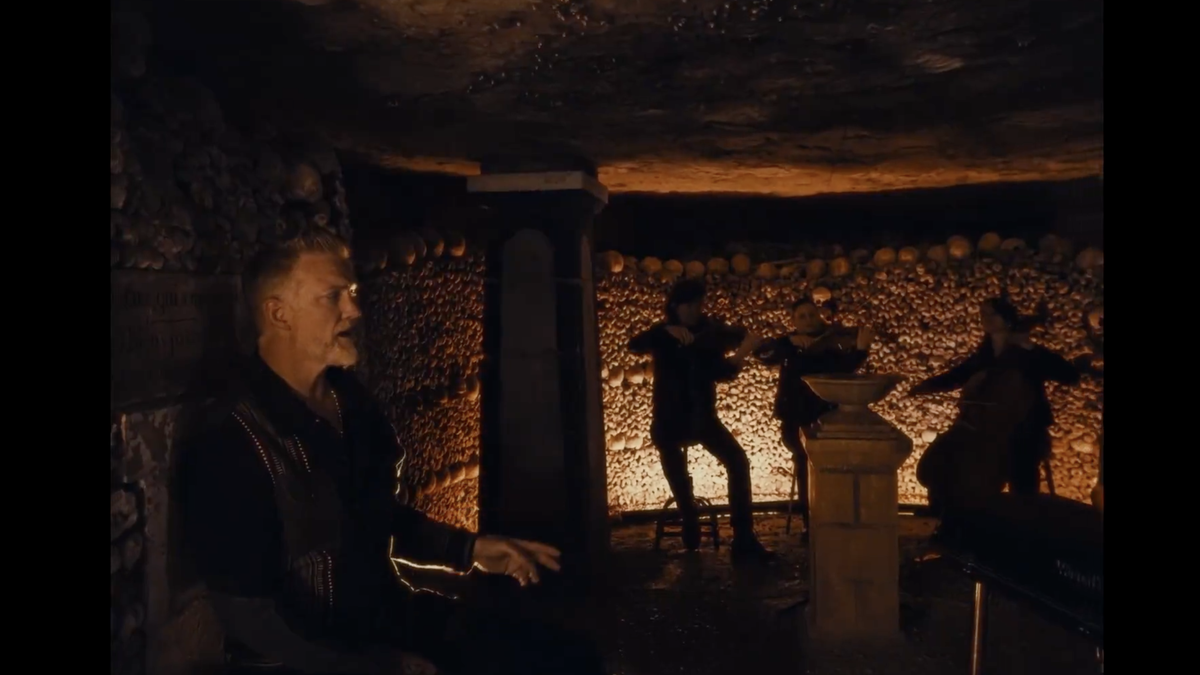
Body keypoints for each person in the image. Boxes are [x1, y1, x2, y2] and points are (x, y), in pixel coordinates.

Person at [178, 233, 603, 675]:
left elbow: (376, 513)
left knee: (566, 656)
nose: (354, 310)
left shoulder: (350, 402)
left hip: (388, 620)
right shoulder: (234, 439)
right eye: (332, 296)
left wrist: (469, 548)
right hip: (312, 656)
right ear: (278, 313)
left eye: (351, 292)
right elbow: (248, 616)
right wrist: (366, 666)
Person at [627, 279, 771, 562]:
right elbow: (635, 344)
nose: (694, 310)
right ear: (675, 307)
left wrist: (745, 350)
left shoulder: (710, 333)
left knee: (738, 462)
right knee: (671, 455)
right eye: (688, 305)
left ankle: (743, 538)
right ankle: (688, 513)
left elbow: (722, 372)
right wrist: (664, 330)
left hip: (701, 417)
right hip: (669, 417)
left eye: (698, 304)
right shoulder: (664, 334)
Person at [910, 297, 1080, 514]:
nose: (986, 318)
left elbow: (1069, 375)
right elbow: (959, 375)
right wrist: (927, 386)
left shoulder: (1027, 353)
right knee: (947, 457)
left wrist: (1030, 348)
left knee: (1022, 465)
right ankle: (951, 513)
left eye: (992, 314)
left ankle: (1023, 517)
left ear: (1007, 319)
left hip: (1023, 427)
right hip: (982, 429)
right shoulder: (984, 355)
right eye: (983, 314)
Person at [754, 298, 875, 536]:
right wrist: (787, 342)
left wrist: (861, 349)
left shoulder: (829, 344)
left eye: (811, 315)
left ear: (819, 316)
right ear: (793, 322)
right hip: (795, 420)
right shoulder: (788, 345)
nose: (808, 320)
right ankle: (811, 521)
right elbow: (761, 354)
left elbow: (844, 368)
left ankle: (836, 515)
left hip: (826, 418)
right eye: (802, 316)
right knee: (805, 459)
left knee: (836, 458)